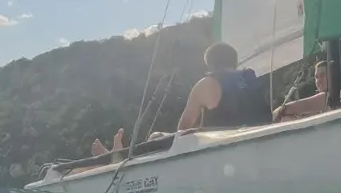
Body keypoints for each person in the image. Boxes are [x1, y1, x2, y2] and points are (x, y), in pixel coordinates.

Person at [89, 42, 270, 155]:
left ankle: (117, 159)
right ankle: (116, 156)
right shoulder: (252, 80)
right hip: (260, 139)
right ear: (235, 61)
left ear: (210, 64)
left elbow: (183, 128)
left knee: (156, 136)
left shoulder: (206, 84)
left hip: (220, 144)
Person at [273, 61, 341, 122]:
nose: (319, 80)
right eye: (317, 77)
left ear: (333, 76)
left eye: (322, 75)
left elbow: (301, 106)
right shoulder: (335, 98)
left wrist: (277, 112)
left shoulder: (332, 96)